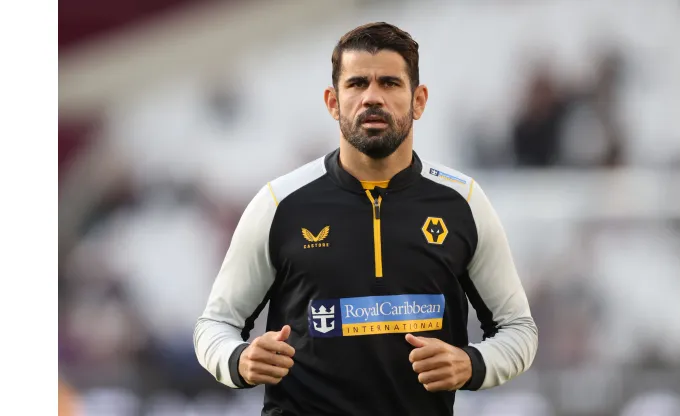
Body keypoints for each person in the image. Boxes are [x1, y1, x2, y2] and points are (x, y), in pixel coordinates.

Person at [194, 22, 538, 416]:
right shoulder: (279, 203)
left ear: (419, 100)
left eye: (390, 83)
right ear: (333, 102)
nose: (372, 97)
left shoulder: (463, 202)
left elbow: (519, 331)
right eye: (357, 84)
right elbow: (214, 325)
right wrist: (238, 360)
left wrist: (472, 364)